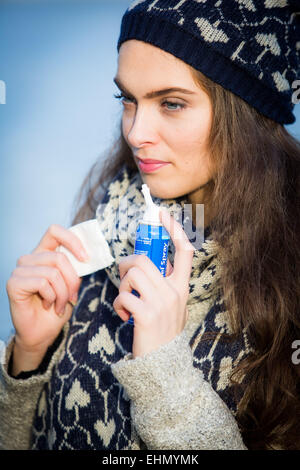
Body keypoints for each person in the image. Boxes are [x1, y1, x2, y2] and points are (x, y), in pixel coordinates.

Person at [1, 0, 300, 451]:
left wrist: (164, 372)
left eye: (172, 103)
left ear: (246, 113)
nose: (137, 132)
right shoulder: (105, 231)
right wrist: (27, 357)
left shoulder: (289, 280)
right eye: (128, 99)